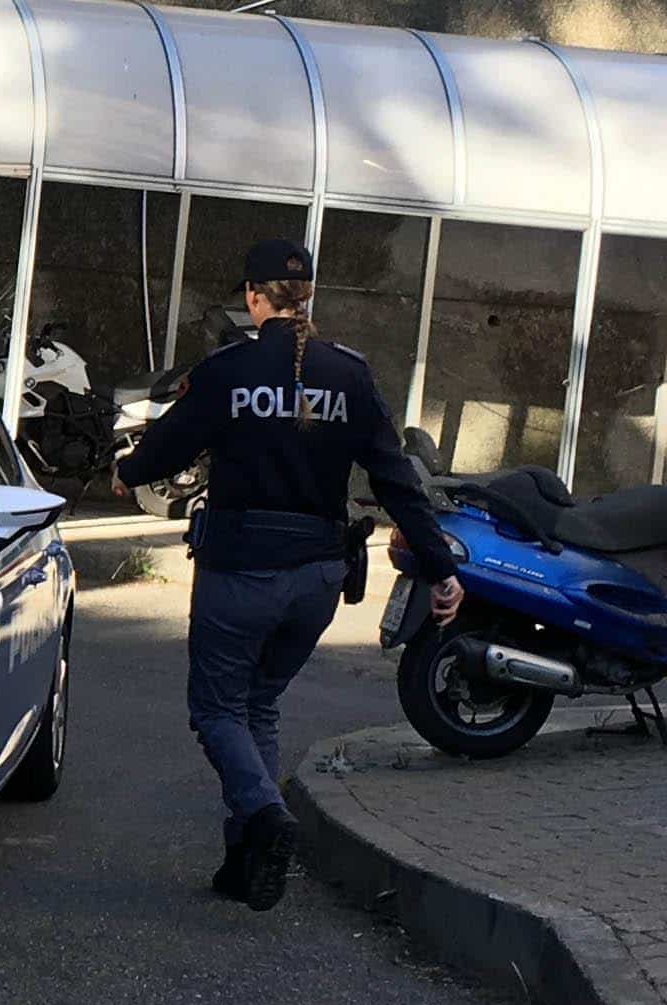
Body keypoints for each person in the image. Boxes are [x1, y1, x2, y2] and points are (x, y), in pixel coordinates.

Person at [113, 239, 463, 912]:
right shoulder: (350, 374)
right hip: (317, 579)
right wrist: (440, 567)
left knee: (217, 709)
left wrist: (126, 474)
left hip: (241, 572)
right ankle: (244, 862)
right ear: (307, 298)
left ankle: (266, 814)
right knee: (259, 705)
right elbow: (395, 478)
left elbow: (168, 445)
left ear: (253, 298)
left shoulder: (228, 370)